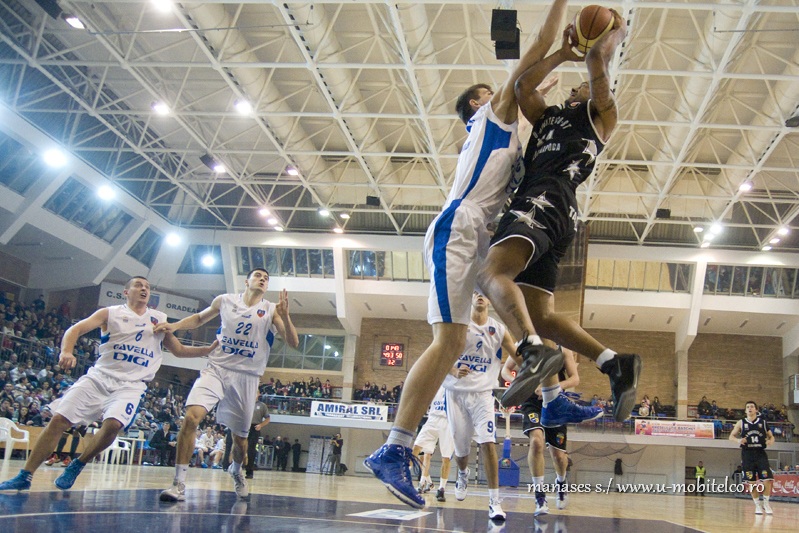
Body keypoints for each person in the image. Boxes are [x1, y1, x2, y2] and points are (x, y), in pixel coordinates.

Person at [363, 0, 571, 510]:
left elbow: (528, 87)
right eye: (489, 91)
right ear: (480, 104)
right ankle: (394, 449)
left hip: (475, 233)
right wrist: (563, 49)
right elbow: (536, 50)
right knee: (448, 340)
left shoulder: (504, 134)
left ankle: (547, 386)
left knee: (477, 321)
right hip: (457, 227)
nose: (499, 92)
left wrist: (542, 88)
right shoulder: (492, 117)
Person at [478, 9, 640, 425]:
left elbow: (598, 62)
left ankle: (532, 350)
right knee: (541, 315)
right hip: (558, 213)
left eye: (586, 85)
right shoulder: (549, 116)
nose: (579, 85)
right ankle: (613, 362)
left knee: (491, 274)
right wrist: (563, 53)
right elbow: (522, 86)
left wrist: (614, 35)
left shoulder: (600, 117)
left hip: (544, 199)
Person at [0, 276, 213, 492]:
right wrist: (66, 351)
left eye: (147, 287)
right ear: (126, 292)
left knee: (113, 425)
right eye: (138, 285)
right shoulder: (110, 313)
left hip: (132, 384)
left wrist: (207, 350)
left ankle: (78, 464)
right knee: (58, 420)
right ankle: (25, 475)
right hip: (99, 377)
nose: (144, 289)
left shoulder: (158, 319)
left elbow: (179, 350)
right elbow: (75, 330)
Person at [158, 268, 299, 501]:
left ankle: (237, 470)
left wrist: (286, 316)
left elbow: (293, 342)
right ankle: (178, 483)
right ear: (246, 281)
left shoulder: (271, 309)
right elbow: (199, 318)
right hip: (217, 368)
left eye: (266, 278)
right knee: (191, 418)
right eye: (258, 276)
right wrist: (175, 326)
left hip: (247, 377)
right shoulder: (225, 300)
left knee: (240, 442)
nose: (262, 279)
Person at [441, 293, 521, 521]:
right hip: (456, 393)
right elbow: (440, 354)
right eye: (475, 292)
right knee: (461, 451)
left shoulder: (499, 329)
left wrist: (536, 371)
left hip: (483, 394)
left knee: (488, 443)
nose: (479, 296)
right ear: (471, 297)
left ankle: (495, 502)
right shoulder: (458, 324)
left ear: (490, 301)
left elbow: (519, 357)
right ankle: (462, 473)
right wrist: (453, 370)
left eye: (484, 294)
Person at [503, 347, 601, 516]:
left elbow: (575, 378)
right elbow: (505, 370)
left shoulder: (562, 348)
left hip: (554, 401)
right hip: (531, 402)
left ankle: (561, 482)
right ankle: (539, 496)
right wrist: (519, 384)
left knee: (559, 457)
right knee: (536, 441)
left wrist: (552, 387)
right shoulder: (524, 343)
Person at [729, 401, 775, 514]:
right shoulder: (741, 422)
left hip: (760, 454)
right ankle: (757, 505)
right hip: (747, 455)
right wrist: (738, 440)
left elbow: (772, 436)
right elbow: (731, 436)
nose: (750, 408)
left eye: (752, 406)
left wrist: (770, 441)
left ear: (756, 409)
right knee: (751, 482)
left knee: (767, 479)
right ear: (745, 410)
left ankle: (766, 503)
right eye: (748, 407)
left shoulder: (763, 423)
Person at [412, 385, 454, 502]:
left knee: (446, 458)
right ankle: (405, 479)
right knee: (416, 447)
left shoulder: (456, 384)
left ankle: (441, 489)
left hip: (448, 421)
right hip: (432, 419)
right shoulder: (435, 382)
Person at [246, 398, 270, 479]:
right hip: (245, 426)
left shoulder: (262, 405)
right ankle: (235, 468)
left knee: (251, 449)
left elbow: (268, 418)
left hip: (254, 427)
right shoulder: (246, 402)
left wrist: (261, 425)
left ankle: (249, 471)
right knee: (240, 448)